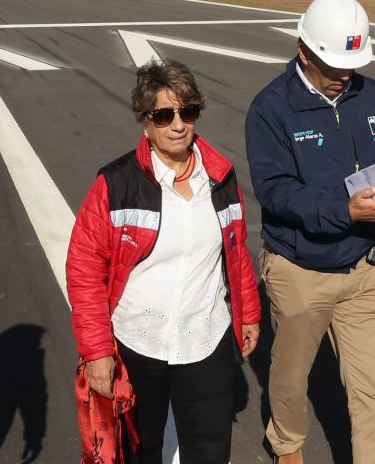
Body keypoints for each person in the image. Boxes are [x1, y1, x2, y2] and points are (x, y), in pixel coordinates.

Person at [245, 0, 375, 464]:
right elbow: (277, 191)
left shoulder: (371, 93)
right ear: (304, 51)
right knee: (290, 377)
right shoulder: (271, 108)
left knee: (372, 390)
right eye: (334, 65)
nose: (345, 74)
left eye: (352, 63)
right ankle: (285, 443)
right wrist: (344, 211)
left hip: (366, 268)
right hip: (301, 270)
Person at [67, 60, 261, 464]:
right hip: (138, 342)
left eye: (187, 111)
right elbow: (85, 270)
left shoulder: (221, 178)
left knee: (210, 451)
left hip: (205, 339)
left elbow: (237, 252)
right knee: (140, 448)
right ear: (145, 121)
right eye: (163, 115)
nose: (178, 124)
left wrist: (250, 315)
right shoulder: (116, 184)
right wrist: (98, 351)